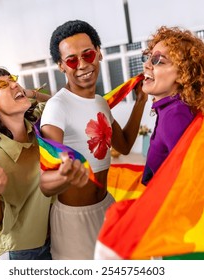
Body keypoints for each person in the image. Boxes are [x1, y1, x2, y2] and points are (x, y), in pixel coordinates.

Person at [40, 20, 148, 259]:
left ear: (98, 52)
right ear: (61, 66)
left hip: (106, 207)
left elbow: (125, 145)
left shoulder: (99, 102)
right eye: (71, 60)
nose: (82, 65)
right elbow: (44, 182)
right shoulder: (56, 108)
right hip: (73, 220)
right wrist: (63, 175)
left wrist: (140, 102)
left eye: (88, 54)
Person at [0, 67, 89, 260]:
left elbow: (58, 103)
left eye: (12, 79)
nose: (14, 84)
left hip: (55, 235)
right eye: (2, 85)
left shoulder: (37, 127)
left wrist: (27, 93)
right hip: (23, 251)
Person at [141, 26, 204, 186]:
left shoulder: (175, 115)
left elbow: (185, 182)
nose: (146, 65)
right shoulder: (170, 109)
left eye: (157, 60)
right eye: (149, 57)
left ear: (183, 74)